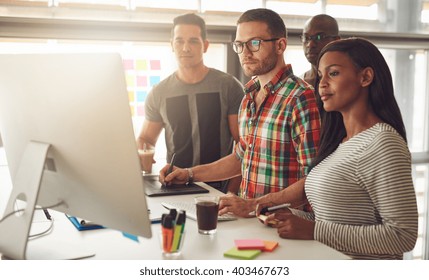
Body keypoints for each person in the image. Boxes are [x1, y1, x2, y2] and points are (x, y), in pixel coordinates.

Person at [255, 38, 418, 260]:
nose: (321, 84)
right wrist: (289, 216)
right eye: (320, 75)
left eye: (333, 73)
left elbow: (403, 236)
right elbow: (336, 222)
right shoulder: (340, 143)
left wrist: (313, 231)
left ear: (365, 77)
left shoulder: (383, 143)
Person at [160, 9, 321, 211]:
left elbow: (315, 179)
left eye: (254, 43)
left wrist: (254, 205)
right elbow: (241, 157)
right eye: (239, 45)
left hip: (286, 225)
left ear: (280, 45)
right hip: (251, 221)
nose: (245, 52)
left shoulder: (301, 97)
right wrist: (189, 174)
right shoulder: (249, 96)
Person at [136, 13, 244, 193]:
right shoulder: (159, 92)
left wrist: (232, 193)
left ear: (205, 45)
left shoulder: (229, 86)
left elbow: (244, 146)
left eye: (193, 41)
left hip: (218, 189)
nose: (185, 48)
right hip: (175, 186)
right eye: (179, 41)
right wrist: (143, 157)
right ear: (172, 45)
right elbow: (146, 139)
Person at [300, 14, 340, 88]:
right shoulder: (298, 84)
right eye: (306, 38)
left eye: (319, 37)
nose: (310, 44)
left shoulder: (345, 80)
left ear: (336, 40)